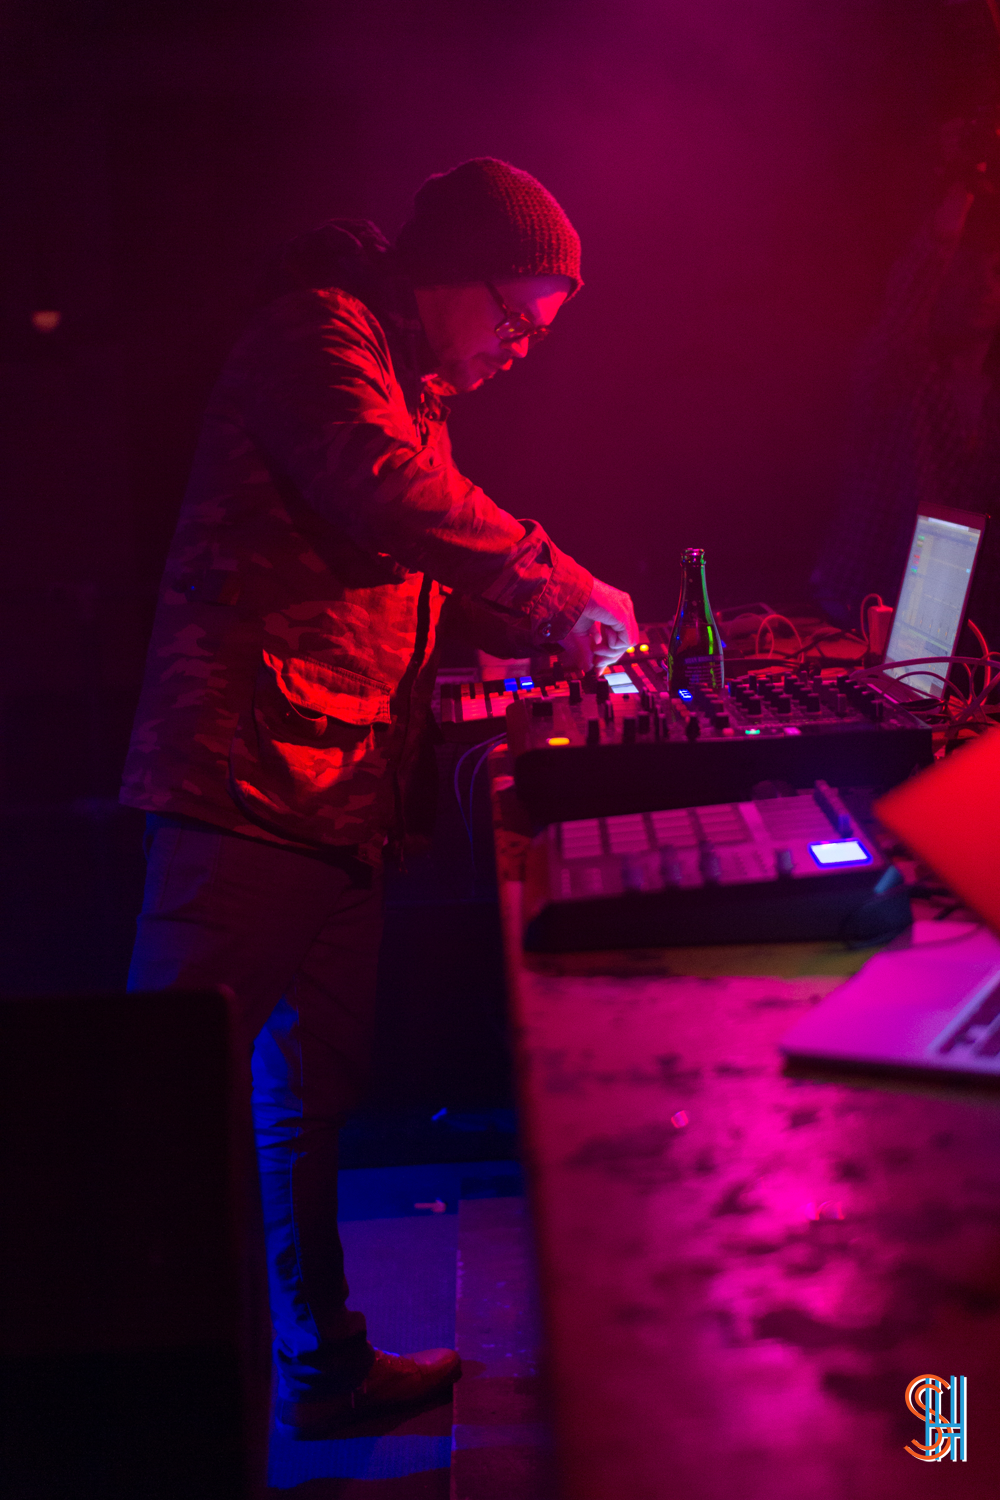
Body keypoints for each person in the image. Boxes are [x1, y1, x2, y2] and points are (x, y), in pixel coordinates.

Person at [121, 157, 638, 1438]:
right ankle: (132, 1423)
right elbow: (384, 489)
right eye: (514, 314)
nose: (522, 345)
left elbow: (406, 551)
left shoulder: (412, 382)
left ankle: (321, 1364)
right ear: (451, 271)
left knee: (307, 1095)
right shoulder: (317, 336)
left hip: (334, 785)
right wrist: (561, 588)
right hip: (243, 780)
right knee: (160, 1099)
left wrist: (542, 629)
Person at [811, 160, 1000, 650]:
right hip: (855, 609)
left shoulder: (992, 399)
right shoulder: (902, 373)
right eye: (970, 272)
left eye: (996, 274)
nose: (985, 287)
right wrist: (960, 189)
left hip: (952, 631)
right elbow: (906, 304)